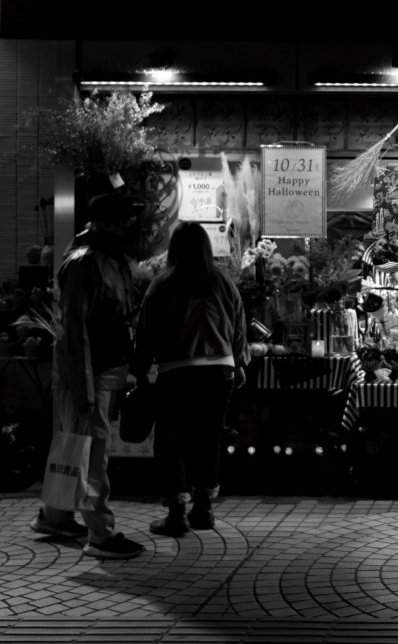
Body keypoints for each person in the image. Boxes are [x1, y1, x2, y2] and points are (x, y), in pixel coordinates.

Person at [30, 192, 146, 560]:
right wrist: (84, 389)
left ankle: (55, 516)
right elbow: (74, 330)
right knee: (92, 455)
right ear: (106, 224)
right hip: (88, 374)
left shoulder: (110, 260)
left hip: (99, 372)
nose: (131, 224)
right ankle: (101, 534)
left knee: (74, 447)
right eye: (125, 219)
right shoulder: (85, 263)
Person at [129, 221, 250, 537]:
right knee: (208, 440)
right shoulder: (223, 282)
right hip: (219, 371)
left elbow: (146, 331)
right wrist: (239, 363)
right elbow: (239, 326)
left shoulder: (163, 283)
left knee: (171, 443)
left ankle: (176, 513)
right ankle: (203, 509)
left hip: (177, 371)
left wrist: (140, 369)